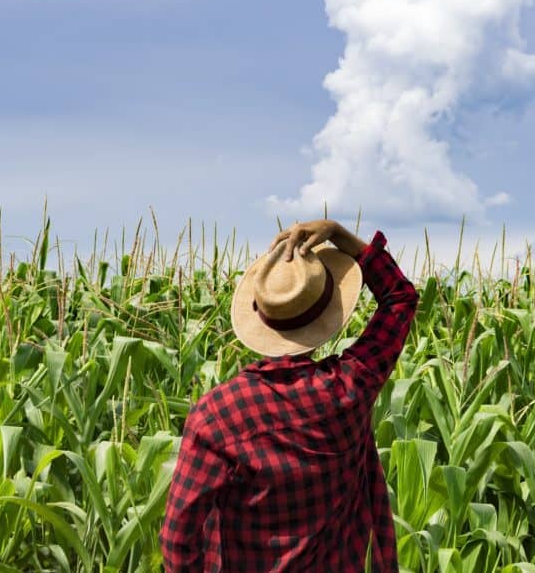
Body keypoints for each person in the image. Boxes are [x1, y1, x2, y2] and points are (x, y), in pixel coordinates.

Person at [160, 219, 418, 572]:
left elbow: (178, 538)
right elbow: (399, 298)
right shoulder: (350, 389)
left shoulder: (217, 415)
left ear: (261, 316)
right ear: (327, 314)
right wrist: (339, 235)